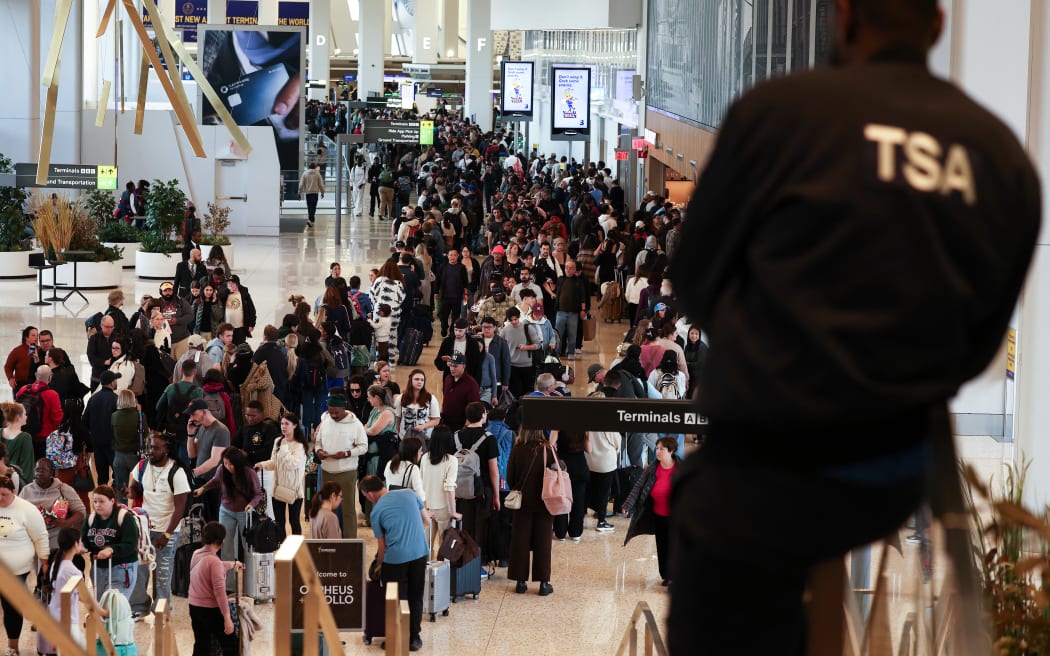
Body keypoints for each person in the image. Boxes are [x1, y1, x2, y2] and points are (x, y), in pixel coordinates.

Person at [667, 2, 1041, 653]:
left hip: (763, 466)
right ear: (936, 27)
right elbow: (980, 346)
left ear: (844, 18)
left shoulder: (778, 113)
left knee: (718, 560)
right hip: (888, 474)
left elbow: (696, 280)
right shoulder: (999, 155)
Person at [359, 475, 428, 652]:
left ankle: (393, 637)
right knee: (416, 595)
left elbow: (382, 547)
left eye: (365, 496)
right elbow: (426, 521)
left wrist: (380, 566)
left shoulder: (376, 512)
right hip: (420, 553)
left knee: (392, 599)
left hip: (395, 558)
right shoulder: (410, 493)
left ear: (370, 494)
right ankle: (414, 638)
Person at [128, 432, 191, 607]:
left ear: (167, 450)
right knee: (139, 570)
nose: (150, 450)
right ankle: (138, 607)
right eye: (149, 446)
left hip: (166, 529)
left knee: (162, 575)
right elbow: (135, 487)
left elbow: (180, 507)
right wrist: (130, 492)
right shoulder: (142, 466)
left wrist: (168, 534)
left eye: (155, 447)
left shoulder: (176, 473)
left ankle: (162, 609)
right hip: (144, 529)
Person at [0, 473, 48, 654]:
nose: (0, 498)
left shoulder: (26, 509)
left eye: (4, 494)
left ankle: (13, 646)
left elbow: (40, 537)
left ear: (13, 492)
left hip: (16, 570)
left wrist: (44, 562)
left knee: (11, 607)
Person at [622, 437, 679, 587]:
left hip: (676, 517)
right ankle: (666, 576)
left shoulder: (680, 468)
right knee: (662, 546)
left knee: (674, 547)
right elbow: (638, 487)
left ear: (671, 451)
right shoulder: (653, 467)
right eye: (657, 448)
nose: (657, 451)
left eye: (661, 449)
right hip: (658, 515)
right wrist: (628, 505)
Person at [505, 429, 554, 596]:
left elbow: (510, 475)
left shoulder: (517, 449)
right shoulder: (548, 449)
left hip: (523, 502)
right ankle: (543, 583)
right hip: (545, 502)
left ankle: (520, 581)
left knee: (520, 541)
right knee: (544, 541)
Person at [314, 391, 368, 538]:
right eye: (330, 412)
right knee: (327, 507)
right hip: (327, 469)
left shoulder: (355, 424)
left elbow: (363, 447)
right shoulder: (325, 420)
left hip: (346, 471)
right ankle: (331, 538)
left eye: (336, 412)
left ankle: (350, 541)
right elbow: (317, 441)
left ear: (343, 408)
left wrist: (346, 454)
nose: (333, 415)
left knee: (348, 509)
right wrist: (318, 451)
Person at [188, 522, 244, 656]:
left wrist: (232, 564)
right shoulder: (214, 562)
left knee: (202, 644)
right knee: (231, 645)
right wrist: (227, 618)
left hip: (194, 607)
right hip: (210, 610)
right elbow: (220, 593)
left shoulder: (196, 554)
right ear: (221, 541)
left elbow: (211, 567)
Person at [255, 412, 308, 542]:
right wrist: (262, 464)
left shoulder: (299, 446)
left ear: (295, 425)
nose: (283, 427)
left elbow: (293, 464)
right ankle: (281, 546)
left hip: (294, 490)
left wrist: (284, 449)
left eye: (287, 424)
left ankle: (297, 549)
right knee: (279, 521)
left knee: (294, 521)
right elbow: (274, 462)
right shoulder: (278, 441)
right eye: (282, 423)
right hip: (278, 487)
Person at [82, 485, 139, 601]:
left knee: (114, 605)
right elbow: (85, 541)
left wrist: (111, 549)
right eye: (95, 502)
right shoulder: (91, 519)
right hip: (98, 568)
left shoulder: (125, 518)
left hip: (122, 568)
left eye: (102, 501)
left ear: (112, 501)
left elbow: (131, 544)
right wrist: (80, 547)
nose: (97, 505)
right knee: (101, 605)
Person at [37, 527, 88, 656]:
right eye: (80, 541)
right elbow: (84, 597)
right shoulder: (72, 570)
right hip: (67, 620)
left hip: (53, 615)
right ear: (76, 544)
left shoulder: (56, 563)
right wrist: (100, 611)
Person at [19, 458, 86, 552]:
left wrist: (67, 522)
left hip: (55, 534)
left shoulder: (63, 489)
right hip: (31, 535)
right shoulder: (26, 490)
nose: (40, 473)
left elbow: (81, 512)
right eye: (37, 470)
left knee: (53, 562)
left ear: (51, 472)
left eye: (44, 470)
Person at [186, 398, 231, 522]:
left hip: (215, 483)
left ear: (204, 412)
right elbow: (192, 454)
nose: (191, 417)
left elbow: (214, 461)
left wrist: (192, 473)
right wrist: (190, 435)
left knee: (214, 520)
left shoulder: (220, 430)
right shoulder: (202, 428)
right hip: (202, 482)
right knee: (204, 520)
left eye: (194, 413)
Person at [420, 426, 461, 554]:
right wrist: (453, 512)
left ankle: (426, 572)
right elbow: (449, 488)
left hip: (427, 507)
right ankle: (441, 573)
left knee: (426, 545)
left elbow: (420, 482)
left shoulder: (425, 457)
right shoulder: (451, 460)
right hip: (443, 508)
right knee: (445, 546)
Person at [15, 364, 64, 461]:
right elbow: (57, 419)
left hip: (23, 435)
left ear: (35, 374)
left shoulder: (23, 389)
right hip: (43, 439)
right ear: (50, 378)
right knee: (41, 466)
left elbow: (15, 408)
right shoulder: (52, 395)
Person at [552, 429, 590, 543]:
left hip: (563, 465)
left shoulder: (559, 424)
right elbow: (589, 449)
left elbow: (551, 444)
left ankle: (560, 532)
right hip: (580, 465)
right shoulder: (584, 425)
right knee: (578, 501)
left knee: (562, 498)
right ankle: (576, 532)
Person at [393, 369, 441, 442]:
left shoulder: (431, 398)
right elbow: (398, 419)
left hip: (425, 438)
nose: (420, 382)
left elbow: (436, 420)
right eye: (416, 379)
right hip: (405, 438)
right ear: (410, 380)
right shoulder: (401, 398)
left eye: (422, 380)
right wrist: (397, 434)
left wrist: (423, 426)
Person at [440, 352, 480, 431]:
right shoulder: (448, 378)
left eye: (455, 366)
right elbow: (445, 398)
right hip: (445, 421)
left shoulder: (471, 384)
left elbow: (473, 409)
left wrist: (466, 427)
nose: (452, 369)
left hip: (460, 425)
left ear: (463, 366)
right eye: (451, 365)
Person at [1, 401, 35, 483]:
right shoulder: (25, 438)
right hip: (15, 482)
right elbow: (27, 468)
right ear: (18, 417)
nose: (26, 417)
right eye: (24, 414)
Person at [383, 435, 425, 502]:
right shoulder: (413, 468)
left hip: (391, 503)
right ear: (413, 452)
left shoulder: (390, 464)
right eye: (420, 451)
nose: (422, 453)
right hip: (406, 506)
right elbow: (420, 495)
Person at [224, 275, 256, 345]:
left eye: (232, 283)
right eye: (229, 284)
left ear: (237, 284)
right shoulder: (225, 294)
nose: (230, 285)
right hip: (227, 328)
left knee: (240, 347)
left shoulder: (244, 294)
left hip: (240, 328)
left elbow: (252, 310)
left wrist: (251, 324)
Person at [4, 325, 37, 392]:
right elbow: (8, 366)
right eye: (33, 335)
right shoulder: (17, 351)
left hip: (36, 385)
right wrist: (10, 378)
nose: (36, 338)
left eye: (37, 335)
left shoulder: (40, 350)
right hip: (20, 385)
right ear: (26, 337)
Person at [299, 162, 325, 227]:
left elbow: (301, 185)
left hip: (308, 193)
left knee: (309, 207)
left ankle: (311, 221)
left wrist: (299, 192)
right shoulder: (317, 174)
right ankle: (311, 220)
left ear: (308, 167)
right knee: (313, 207)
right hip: (315, 193)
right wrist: (322, 192)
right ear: (315, 167)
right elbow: (321, 185)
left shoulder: (305, 174)